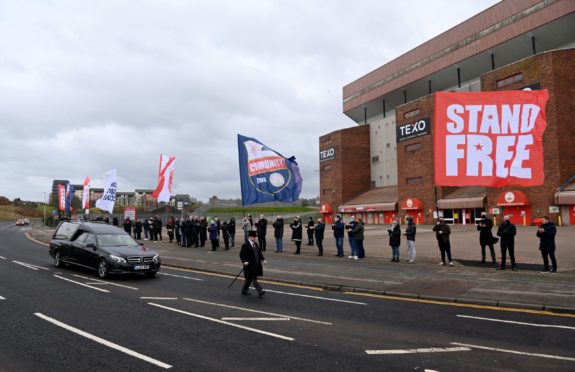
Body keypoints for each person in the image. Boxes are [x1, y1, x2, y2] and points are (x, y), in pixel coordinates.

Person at [239, 230, 266, 297]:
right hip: (249, 265)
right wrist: (244, 261)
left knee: (249, 279)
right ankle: (260, 291)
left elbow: (259, 253)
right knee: (254, 278)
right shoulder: (245, 245)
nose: (254, 238)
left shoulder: (256, 244)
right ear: (249, 237)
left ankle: (244, 290)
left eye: (255, 237)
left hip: (256, 265)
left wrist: (263, 259)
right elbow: (241, 254)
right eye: (253, 237)